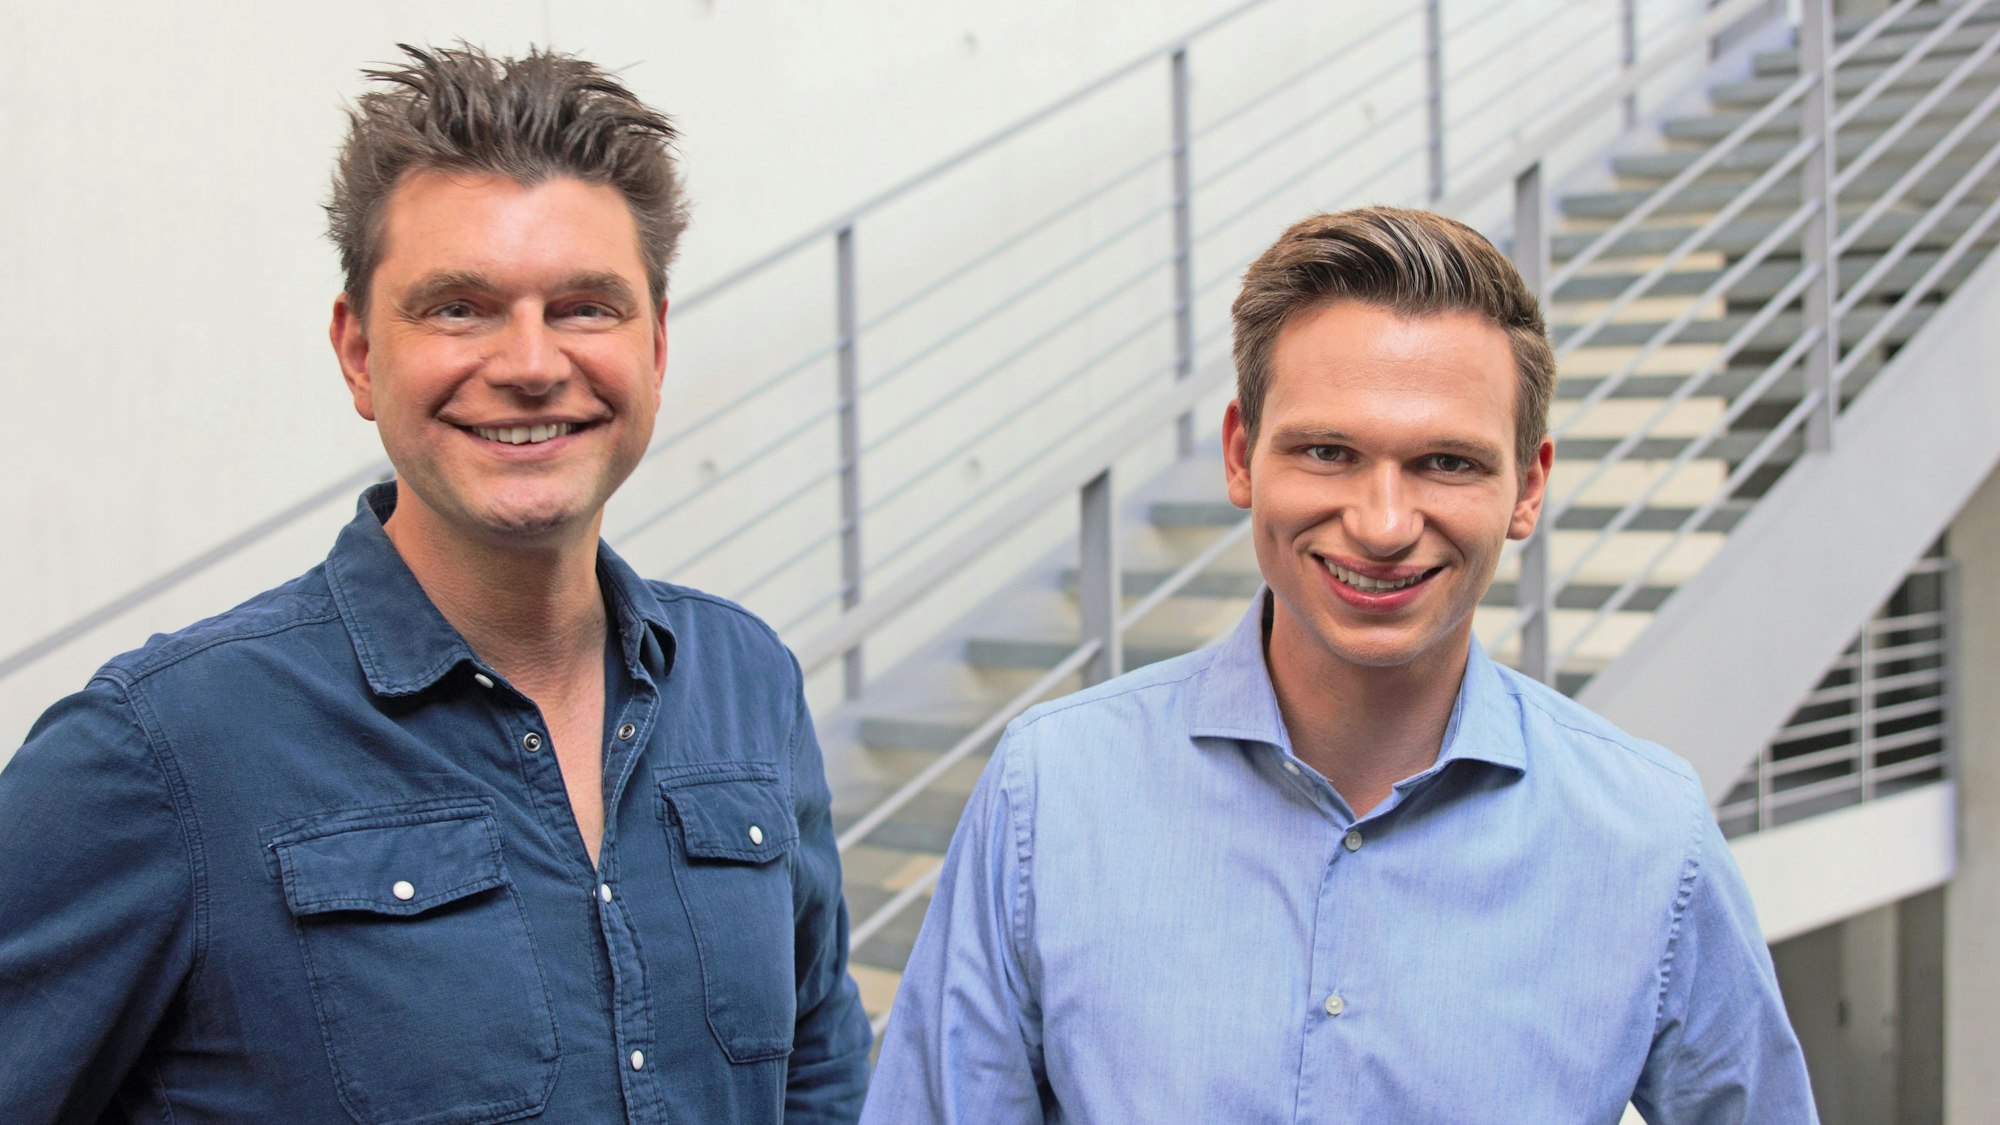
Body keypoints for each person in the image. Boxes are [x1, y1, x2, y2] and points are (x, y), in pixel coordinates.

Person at [0, 44, 870, 1123]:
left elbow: (820, 1074)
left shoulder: (745, 683)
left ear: (654, 349)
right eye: (458, 307)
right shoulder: (163, 750)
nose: (529, 362)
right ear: (360, 353)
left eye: (586, 307)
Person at [862, 207, 1817, 1123]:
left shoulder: (1651, 837)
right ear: (1242, 457)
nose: (1384, 524)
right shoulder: (1051, 794)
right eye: (1328, 451)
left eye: (1448, 462)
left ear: (1527, 487)